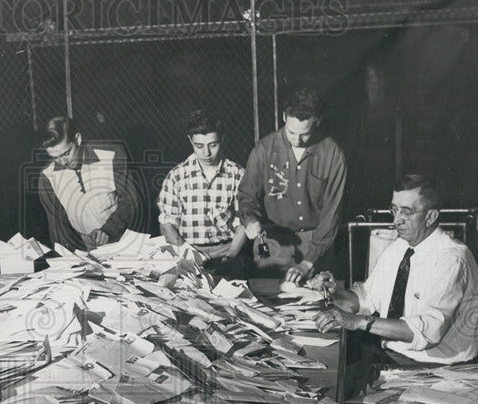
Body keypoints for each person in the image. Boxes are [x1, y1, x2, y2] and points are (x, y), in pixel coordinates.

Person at [314, 174, 478, 374]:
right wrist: (334, 292)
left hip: (440, 370)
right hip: (393, 358)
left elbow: (428, 332)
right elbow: (365, 300)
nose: (396, 221)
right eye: (394, 210)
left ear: (431, 217)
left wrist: (358, 322)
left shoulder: (452, 259)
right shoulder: (400, 247)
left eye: (406, 212)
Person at [236, 87, 347, 283]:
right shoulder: (263, 150)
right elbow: (247, 196)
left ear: (317, 121)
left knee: (320, 307)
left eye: (305, 134)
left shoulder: (333, 154)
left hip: (318, 244)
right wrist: (250, 219)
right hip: (273, 242)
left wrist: (309, 261)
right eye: (291, 132)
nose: (297, 140)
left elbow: (332, 213)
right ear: (284, 117)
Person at [37, 115, 141, 252]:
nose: (63, 162)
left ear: (78, 139)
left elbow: (131, 201)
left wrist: (108, 230)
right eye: (55, 157)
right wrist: (71, 257)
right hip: (83, 245)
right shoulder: (47, 176)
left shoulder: (111, 154)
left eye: (66, 153)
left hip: (122, 239)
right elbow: (58, 224)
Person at [157, 109, 247, 261]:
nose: (206, 153)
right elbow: (167, 224)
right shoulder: (176, 176)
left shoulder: (237, 174)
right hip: (187, 252)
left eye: (213, 145)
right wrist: (189, 256)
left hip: (227, 251)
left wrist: (230, 256)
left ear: (222, 139)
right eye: (199, 146)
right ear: (190, 140)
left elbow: (243, 222)